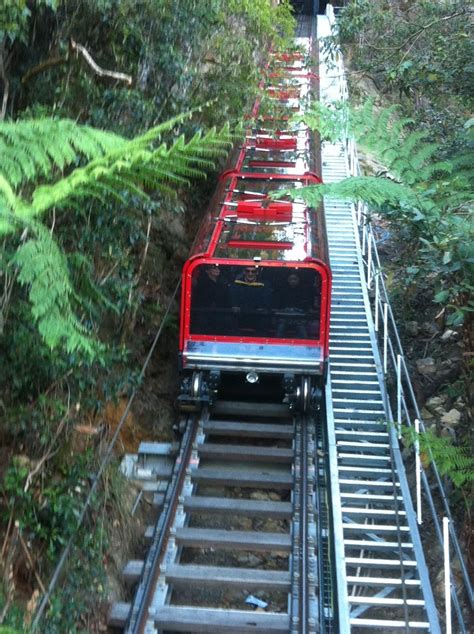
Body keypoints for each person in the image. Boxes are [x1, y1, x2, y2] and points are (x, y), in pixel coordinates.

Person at [229, 266, 271, 335]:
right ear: (244, 272)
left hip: (257, 317)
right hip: (240, 316)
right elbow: (232, 299)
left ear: (257, 273)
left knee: (265, 320)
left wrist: (262, 308)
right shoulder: (236, 284)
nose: (250, 274)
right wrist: (234, 306)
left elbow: (267, 300)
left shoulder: (264, 285)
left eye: (253, 271)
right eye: (247, 271)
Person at [191, 265, 228, 334]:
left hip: (219, 315)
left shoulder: (222, 284)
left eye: (218, 268)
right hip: (204, 315)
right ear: (207, 271)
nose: (217, 270)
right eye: (214, 268)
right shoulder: (202, 284)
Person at [275, 271, 310, 338]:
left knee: (303, 333)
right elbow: (278, 305)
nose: (293, 281)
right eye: (291, 279)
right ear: (288, 280)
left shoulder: (303, 291)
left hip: (299, 318)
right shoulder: (282, 291)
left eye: (295, 279)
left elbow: (305, 305)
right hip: (284, 317)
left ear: (299, 280)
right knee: (280, 330)